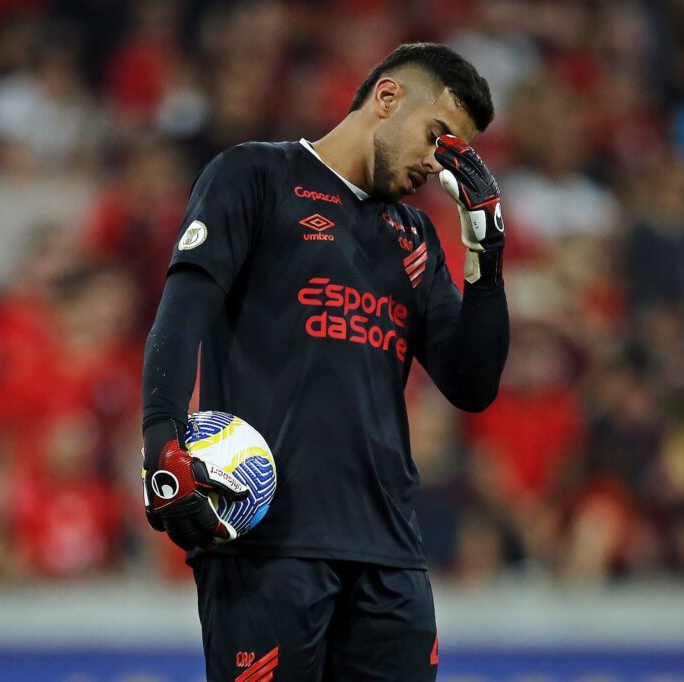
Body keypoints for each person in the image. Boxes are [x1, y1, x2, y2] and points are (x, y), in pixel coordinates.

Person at [140, 43, 508, 681]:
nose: (441, 165)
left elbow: (471, 385)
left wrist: (486, 259)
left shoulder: (414, 238)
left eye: (458, 154)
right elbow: (182, 313)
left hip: (392, 558)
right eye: (438, 137)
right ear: (387, 98)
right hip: (269, 549)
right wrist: (161, 448)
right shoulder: (254, 177)